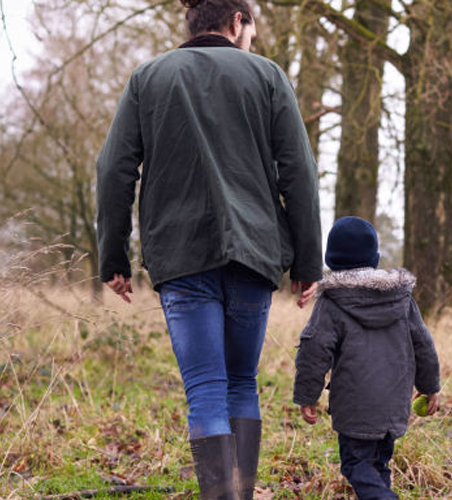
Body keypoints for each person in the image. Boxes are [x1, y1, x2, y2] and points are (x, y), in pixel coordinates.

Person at [94, 0, 322, 496]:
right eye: (252, 31)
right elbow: (299, 172)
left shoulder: (147, 78)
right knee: (241, 381)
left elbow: (113, 170)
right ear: (237, 22)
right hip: (255, 252)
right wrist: (308, 262)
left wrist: (113, 256)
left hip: (180, 255)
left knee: (205, 390)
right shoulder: (267, 76)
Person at [293, 216, 440, 500]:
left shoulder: (331, 301)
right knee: (377, 465)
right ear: (374, 258)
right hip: (394, 402)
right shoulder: (401, 298)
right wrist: (430, 385)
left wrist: (307, 395)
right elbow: (424, 343)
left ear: (331, 260)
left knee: (355, 465)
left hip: (355, 406)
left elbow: (313, 349)